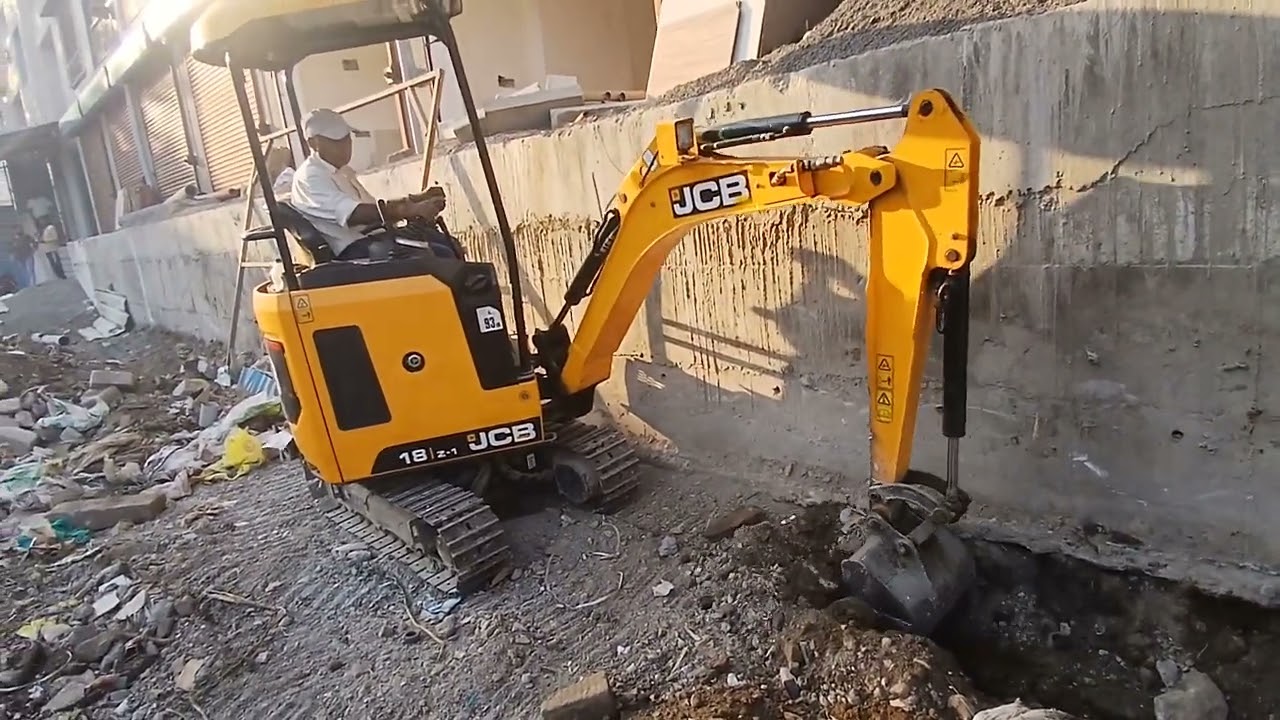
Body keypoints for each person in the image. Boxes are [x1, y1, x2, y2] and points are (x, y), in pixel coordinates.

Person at [289, 108, 462, 261]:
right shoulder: (310, 176)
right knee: (439, 255)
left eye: (347, 138)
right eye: (336, 141)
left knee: (448, 244)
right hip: (351, 251)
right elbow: (354, 214)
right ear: (313, 143)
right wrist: (408, 210)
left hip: (371, 238)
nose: (346, 146)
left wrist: (415, 200)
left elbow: (374, 207)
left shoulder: (343, 171)